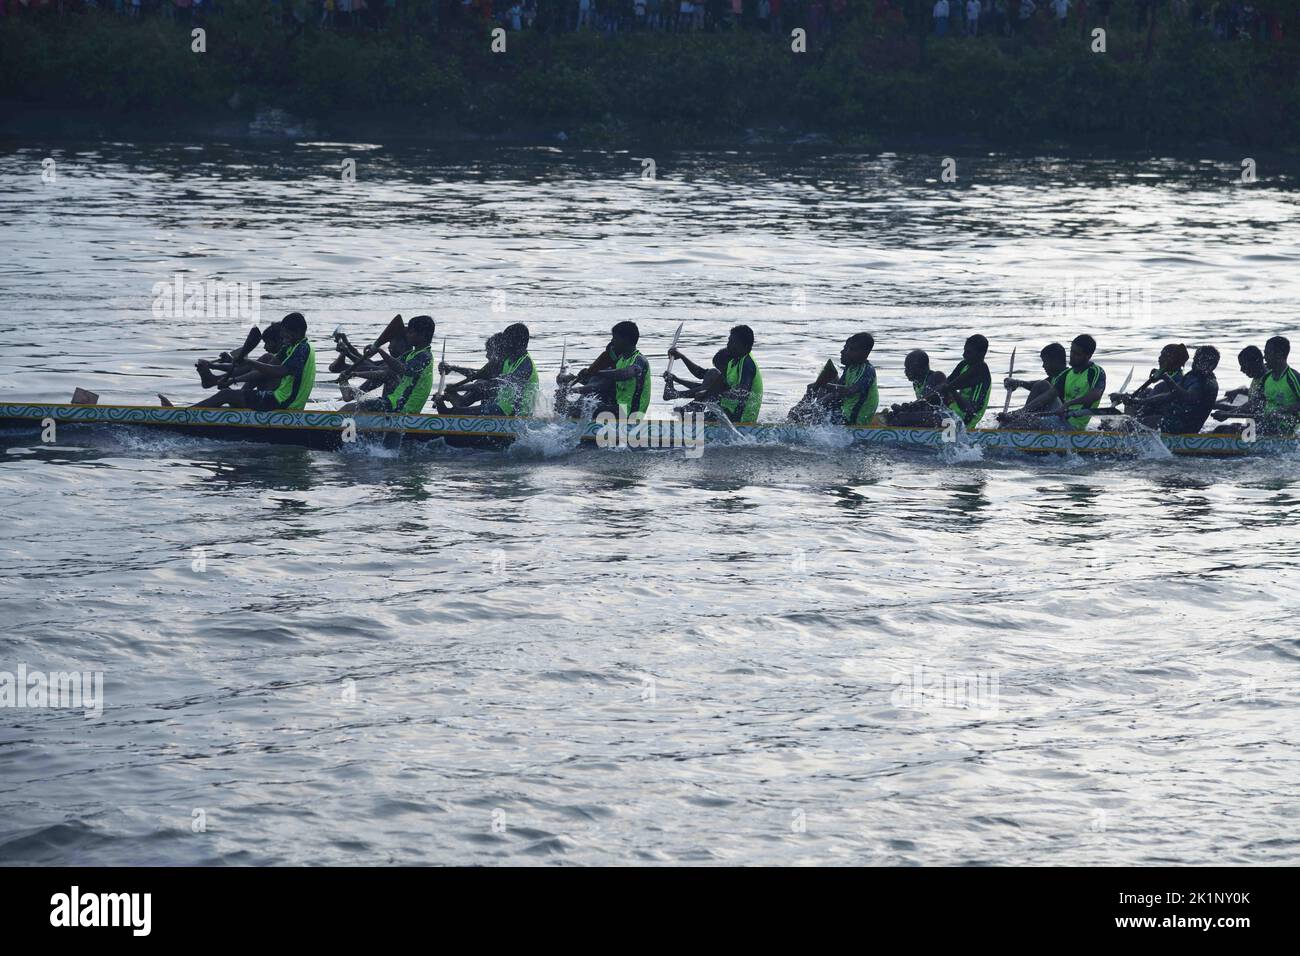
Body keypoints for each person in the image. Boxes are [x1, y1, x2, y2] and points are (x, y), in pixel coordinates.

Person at [186, 312, 316, 411]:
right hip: (280, 398)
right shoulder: (291, 345)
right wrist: (231, 376)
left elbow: (279, 372)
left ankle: (184, 415)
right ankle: (234, 396)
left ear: (298, 332)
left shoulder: (302, 348)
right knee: (231, 392)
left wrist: (249, 364)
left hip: (284, 403)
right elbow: (267, 367)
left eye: (286, 334)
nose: (283, 338)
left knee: (225, 395)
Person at [666, 324, 763, 424]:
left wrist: (711, 394)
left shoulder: (747, 364)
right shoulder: (732, 362)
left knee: (692, 418)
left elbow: (742, 393)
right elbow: (715, 387)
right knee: (689, 416)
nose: (728, 345)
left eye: (732, 342)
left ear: (744, 345)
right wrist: (695, 402)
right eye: (728, 341)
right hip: (728, 412)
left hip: (742, 419)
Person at [557, 321, 652, 421]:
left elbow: (624, 374)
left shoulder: (639, 360)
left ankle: (570, 423)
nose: (612, 341)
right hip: (620, 409)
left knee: (589, 407)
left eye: (615, 338)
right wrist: (572, 380)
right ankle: (567, 419)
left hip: (632, 415)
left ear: (626, 340)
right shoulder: (620, 361)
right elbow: (601, 383)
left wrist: (595, 372)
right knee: (585, 401)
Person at [342, 315, 436, 414]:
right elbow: (386, 370)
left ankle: (334, 428)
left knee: (350, 408)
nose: (407, 335)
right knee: (353, 408)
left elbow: (403, 369)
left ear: (423, 335)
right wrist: (355, 373)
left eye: (411, 332)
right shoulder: (411, 354)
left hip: (403, 407)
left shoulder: (425, 356)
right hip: (394, 402)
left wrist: (379, 350)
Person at [787, 332, 879, 426]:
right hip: (843, 412)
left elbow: (849, 391)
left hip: (853, 419)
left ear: (864, 353)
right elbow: (836, 391)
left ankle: (801, 422)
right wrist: (813, 401)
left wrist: (822, 386)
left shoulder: (867, 370)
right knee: (814, 399)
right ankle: (798, 419)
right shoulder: (850, 368)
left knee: (814, 411)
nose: (845, 352)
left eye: (851, 349)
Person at [1126, 345, 1220, 434]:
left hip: (1184, 427)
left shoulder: (1206, 382)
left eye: (1200, 360)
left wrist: (1166, 378)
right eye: (1195, 358)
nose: (1194, 362)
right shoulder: (1192, 376)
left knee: (1133, 425)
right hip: (1175, 420)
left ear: (1211, 365)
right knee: (1137, 422)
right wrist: (1140, 402)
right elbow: (1169, 396)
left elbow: (1187, 397)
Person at [997, 341, 1072, 429]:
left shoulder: (1068, 375)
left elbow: (1042, 386)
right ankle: (1018, 419)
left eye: (1045, 362)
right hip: (1055, 418)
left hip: (1064, 422)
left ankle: (1019, 417)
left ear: (1056, 361)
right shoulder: (1056, 377)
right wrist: (1017, 383)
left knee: (1042, 385)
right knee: (1041, 385)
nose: (1043, 366)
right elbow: (1035, 386)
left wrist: (1018, 413)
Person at [1113, 343, 1187, 425]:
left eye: (1163, 355)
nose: (1159, 358)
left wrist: (1128, 400)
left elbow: (1146, 407)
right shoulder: (1177, 378)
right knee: (1147, 391)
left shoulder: (1169, 383)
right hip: (1160, 416)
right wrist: (1124, 397)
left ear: (1171, 359)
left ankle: (1126, 427)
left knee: (1135, 401)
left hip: (1163, 421)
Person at [882, 349, 949, 427]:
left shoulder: (936, 376)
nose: (905, 371)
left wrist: (906, 408)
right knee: (895, 415)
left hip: (946, 417)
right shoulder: (916, 383)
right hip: (932, 415)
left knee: (902, 417)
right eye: (905, 368)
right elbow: (922, 405)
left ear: (921, 368)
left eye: (909, 368)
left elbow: (927, 402)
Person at [941, 334, 993, 429]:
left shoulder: (982, 369)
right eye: (964, 351)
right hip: (954, 412)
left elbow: (970, 411)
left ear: (981, 354)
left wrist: (951, 390)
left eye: (968, 352)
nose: (964, 355)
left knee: (911, 418)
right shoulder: (964, 364)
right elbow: (946, 384)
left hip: (965, 420)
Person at [1211, 345, 1267, 429]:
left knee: (1220, 430)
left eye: (1244, 365)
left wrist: (1226, 413)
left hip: (1264, 428)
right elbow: (1259, 394)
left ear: (1256, 362)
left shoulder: (1267, 380)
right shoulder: (1260, 374)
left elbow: (1250, 407)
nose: (1241, 369)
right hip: (1257, 424)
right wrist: (1240, 391)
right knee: (1231, 426)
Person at [1257, 335, 1300, 435]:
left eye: (1267, 353)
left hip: (1290, 430)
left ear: (1279, 354)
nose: (1264, 357)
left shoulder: (1293, 378)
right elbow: (1255, 402)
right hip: (1268, 426)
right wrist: (1231, 413)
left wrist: (1281, 411)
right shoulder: (1266, 378)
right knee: (1224, 429)